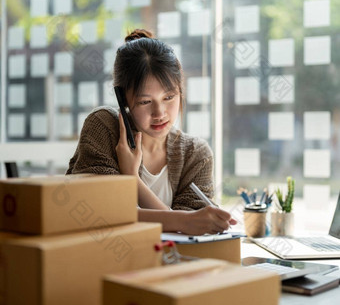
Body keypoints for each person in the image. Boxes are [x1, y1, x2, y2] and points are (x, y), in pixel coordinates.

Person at [67, 29, 236, 235]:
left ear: (181, 92)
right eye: (145, 101)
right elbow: (99, 213)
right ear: (123, 99)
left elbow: (183, 233)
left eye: (169, 97)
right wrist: (183, 221)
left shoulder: (196, 154)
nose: (159, 113)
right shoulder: (103, 127)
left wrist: (133, 180)